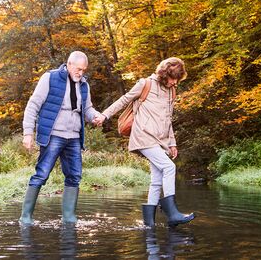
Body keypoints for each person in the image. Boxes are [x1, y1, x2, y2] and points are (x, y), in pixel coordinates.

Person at [93, 57, 195, 227]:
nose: (175, 82)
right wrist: (104, 115)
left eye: (178, 79)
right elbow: (124, 100)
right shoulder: (145, 84)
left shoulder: (171, 91)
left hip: (161, 140)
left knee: (156, 179)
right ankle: (172, 213)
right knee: (169, 167)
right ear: (164, 74)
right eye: (173, 78)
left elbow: (168, 118)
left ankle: (149, 224)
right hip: (143, 137)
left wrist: (172, 142)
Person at [20, 50, 106, 225]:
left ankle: (68, 218)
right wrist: (28, 132)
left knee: (74, 176)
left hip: (74, 137)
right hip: (53, 135)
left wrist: (95, 116)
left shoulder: (84, 85)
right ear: (69, 64)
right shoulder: (50, 78)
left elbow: (87, 109)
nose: (80, 73)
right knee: (42, 174)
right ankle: (26, 217)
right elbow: (33, 105)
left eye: (84, 70)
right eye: (78, 69)